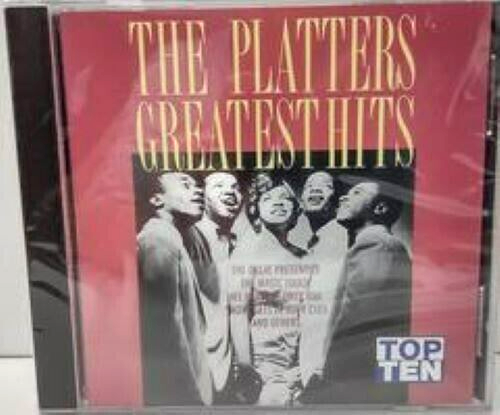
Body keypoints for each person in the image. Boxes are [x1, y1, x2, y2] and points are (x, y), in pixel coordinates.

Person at [303, 180, 411, 403]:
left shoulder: (376, 242)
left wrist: (326, 373)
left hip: (352, 375)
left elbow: (357, 312)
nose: (343, 197)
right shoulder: (374, 244)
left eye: (357, 193)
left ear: (380, 208)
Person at [230, 178, 309, 406]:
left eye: (285, 199)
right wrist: (245, 368)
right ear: (256, 208)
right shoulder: (247, 249)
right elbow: (237, 312)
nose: (278, 202)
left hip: (301, 366)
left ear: (296, 210)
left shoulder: (303, 255)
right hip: (263, 366)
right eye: (268, 198)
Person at [184, 172, 260, 403]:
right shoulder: (189, 237)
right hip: (199, 367)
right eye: (219, 186)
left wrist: (244, 363)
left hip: (233, 372)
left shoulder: (239, 242)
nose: (230, 192)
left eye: (235, 187)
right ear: (203, 196)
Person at [137, 172, 212, 406]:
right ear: (156, 199)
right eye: (185, 184)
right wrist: (190, 399)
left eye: (198, 185)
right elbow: (165, 329)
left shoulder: (169, 239)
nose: (198, 190)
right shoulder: (157, 240)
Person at [296, 171, 347, 390]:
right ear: (301, 202)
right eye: (309, 186)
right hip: (310, 370)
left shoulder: (344, 238)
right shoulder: (313, 245)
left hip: (327, 371)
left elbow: (336, 310)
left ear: (337, 201)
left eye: (325, 186)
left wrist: (320, 368)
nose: (315, 189)